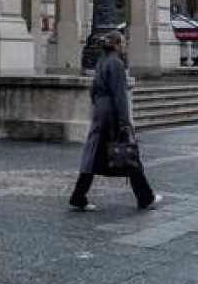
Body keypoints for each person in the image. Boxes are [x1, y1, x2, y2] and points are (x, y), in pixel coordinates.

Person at [68, 32, 161, 212]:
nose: (125, 46)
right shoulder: (116, 63)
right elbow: (120, 94)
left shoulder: (101, 62)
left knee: (93, 155)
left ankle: (78, 196)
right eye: (124, 43)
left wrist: (98, 105)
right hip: (112, 113)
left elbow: (93, 89)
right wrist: (125, 121)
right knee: (127, 153)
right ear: (117, 45)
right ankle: (145, 197)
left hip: (100, 111)